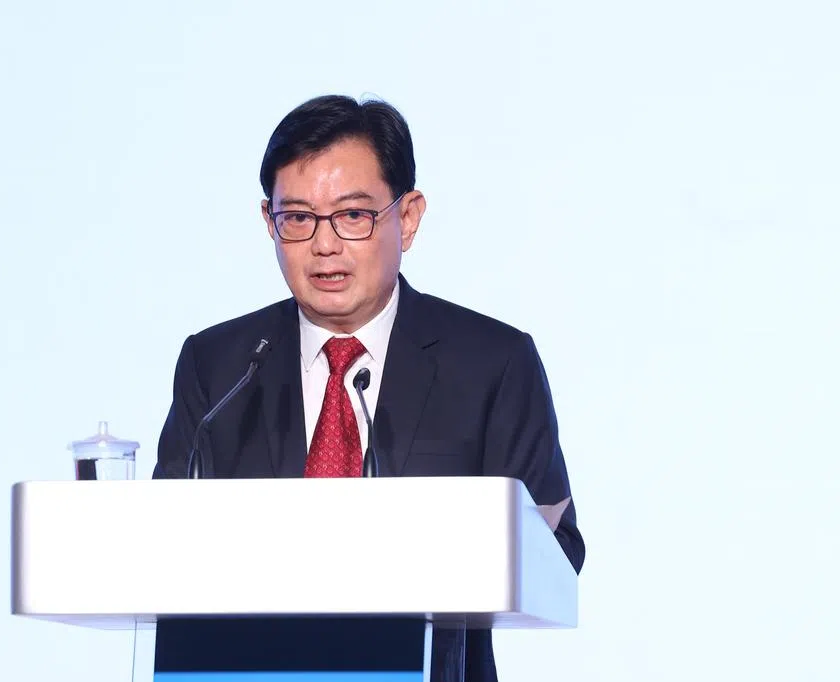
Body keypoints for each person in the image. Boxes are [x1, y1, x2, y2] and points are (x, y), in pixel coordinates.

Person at [153, 94, 584, 682]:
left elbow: (559, 553)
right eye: (297, 218)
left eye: (353, 215)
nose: (324, 245)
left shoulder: (492, 362)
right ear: (269, 223)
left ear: (407, 218)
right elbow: (159, 546)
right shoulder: (220, 364)